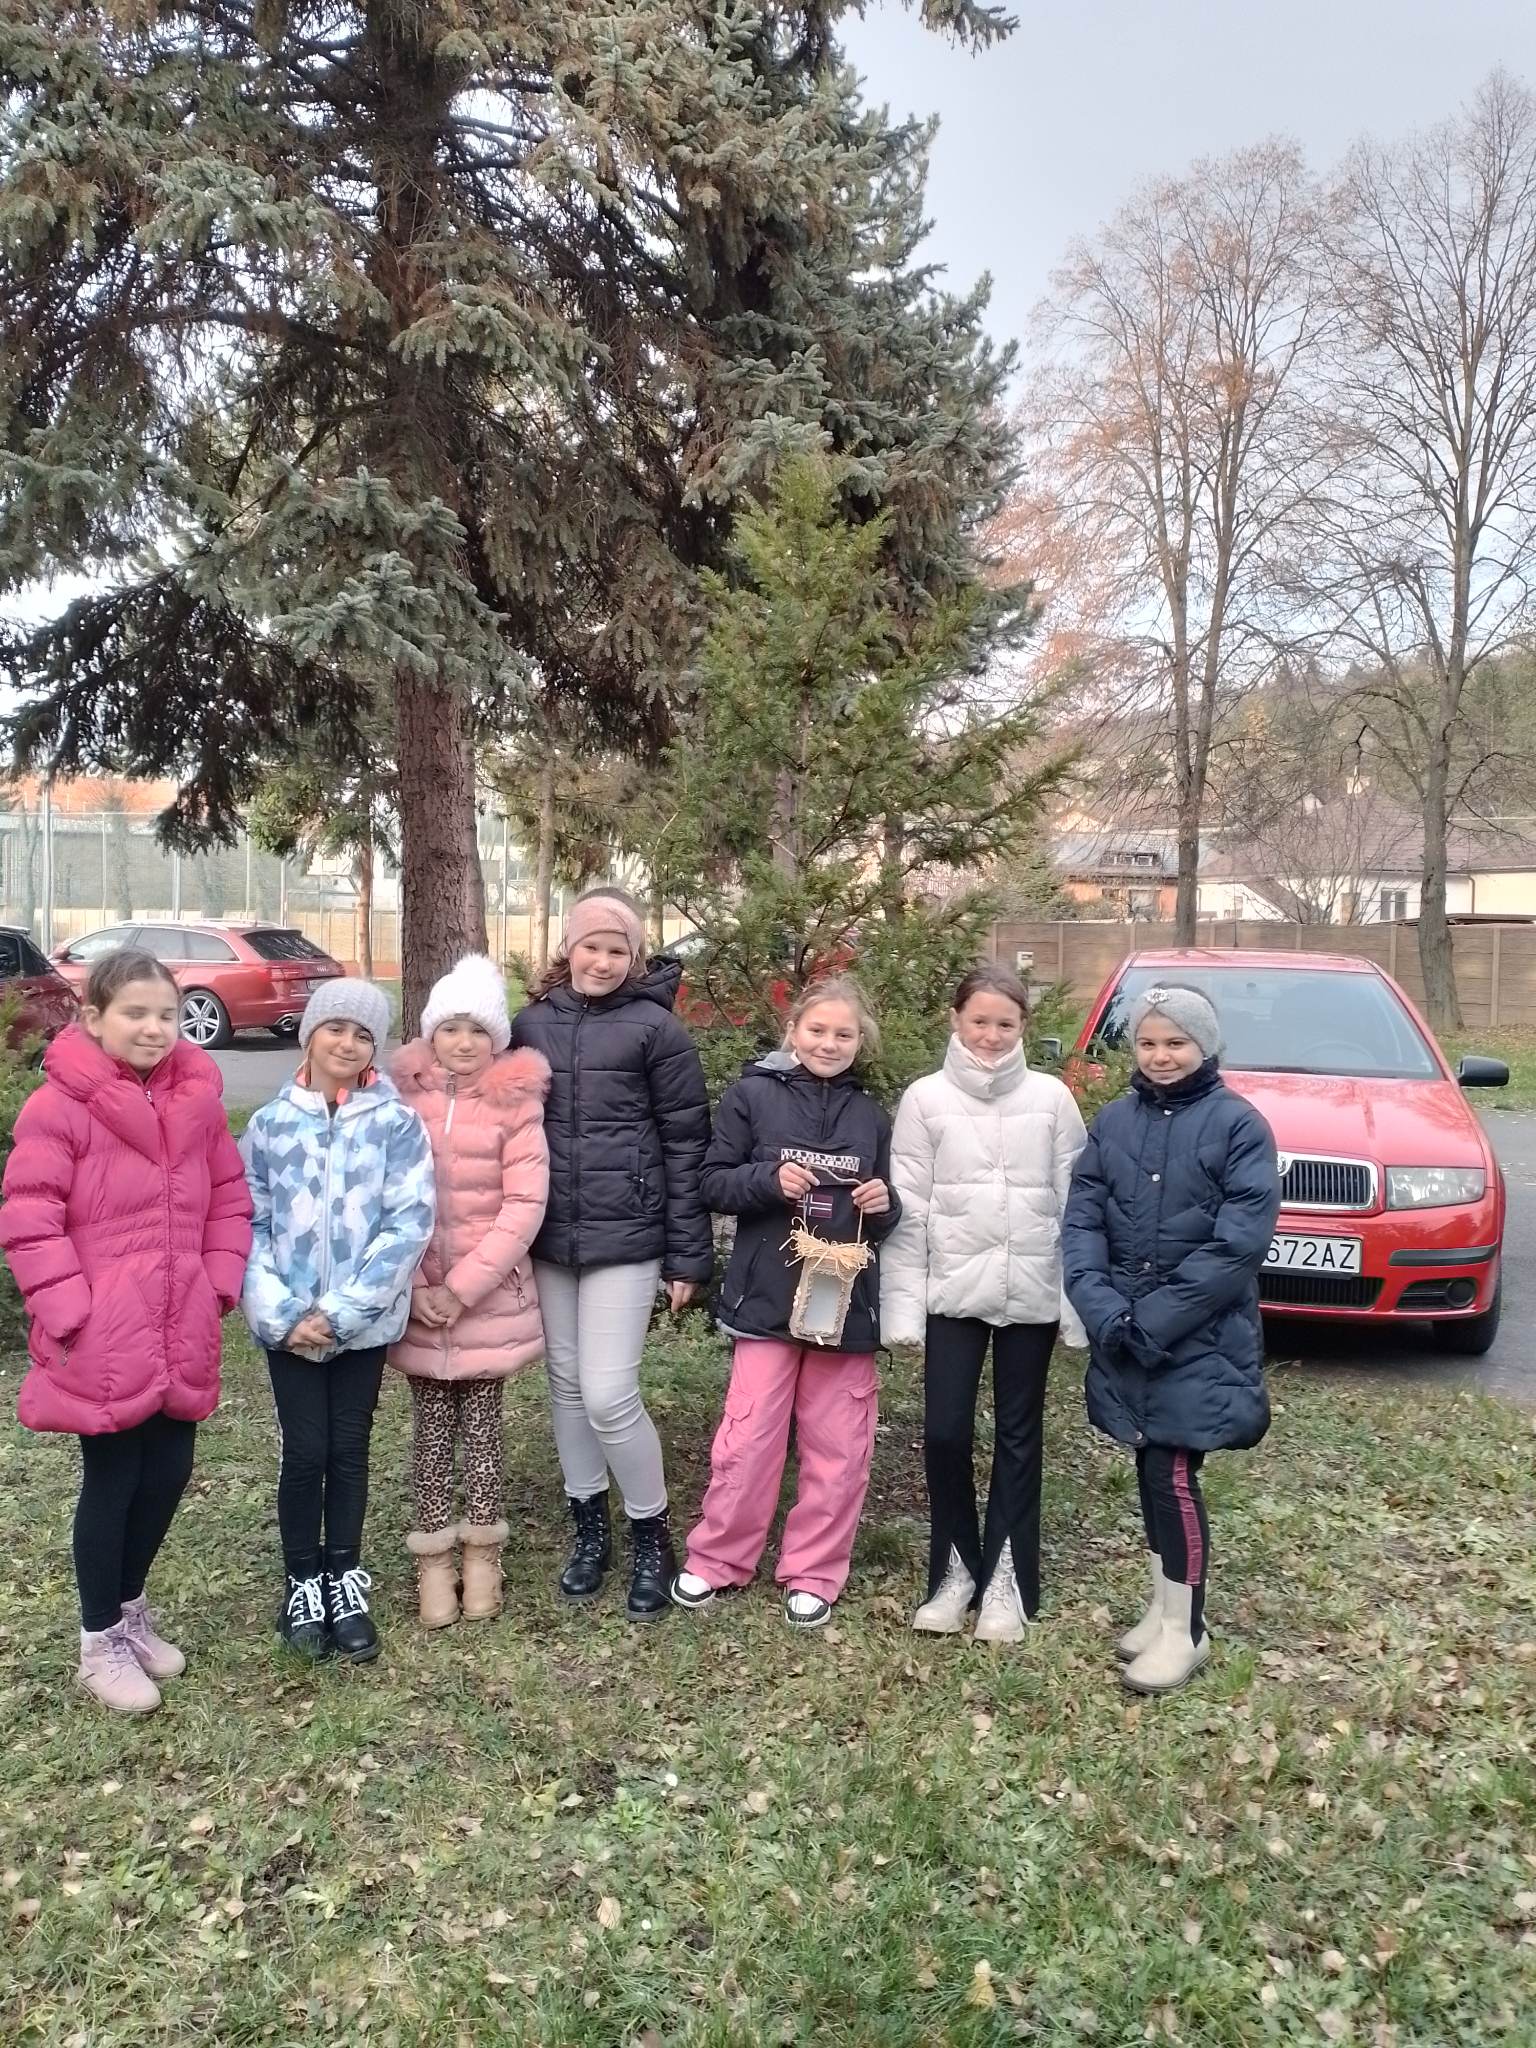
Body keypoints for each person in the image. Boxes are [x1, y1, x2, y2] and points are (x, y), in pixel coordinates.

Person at [0, 948, 252, 1714]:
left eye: (167, 1014)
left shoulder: (197, 1101)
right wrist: (70, 1311)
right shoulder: (59, 1108)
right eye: (135, 1013)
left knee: (169, 1470)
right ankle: (99, 1639)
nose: (153, 1028)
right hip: (103, 1332)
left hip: (180, 1321)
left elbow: (229, 1198)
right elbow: (31, 1217)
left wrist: (218, 1282)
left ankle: (131, 1609)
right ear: (93, 1018)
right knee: (114, 1480)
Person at [1062, 984, 1279, 1694]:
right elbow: (1083, 1221)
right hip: (1125, 1332)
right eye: (1149, 1042)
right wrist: (1103, 1309)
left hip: (1197, 1338)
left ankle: (1186, 1630)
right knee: (1148, 1466)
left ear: (1204, 1046)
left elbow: (1238, 1244)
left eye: (1176, 1043)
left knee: (1174, 1474)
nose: (1161, 1056)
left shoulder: (1239, 1126)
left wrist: (1153, 1318)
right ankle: (1162, 1608)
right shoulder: (1114, 1122)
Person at [671, 978, 900, 1630]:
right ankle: (719, 1558)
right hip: (766, 1295)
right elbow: (712, 1181)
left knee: (839, 1443)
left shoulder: (872, 1115)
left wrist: (885, 1206)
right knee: (748, 1436)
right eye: (817, 1030)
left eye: (844, 1034)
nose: (829, 1043)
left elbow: (888, 1210)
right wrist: (767, 1180)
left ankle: (815, 1570)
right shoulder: (752, 1096)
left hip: (842, 1297)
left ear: (860, 1041)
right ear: (793, 1031)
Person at [509, 888, 712, 1621]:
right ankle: (589, 1527)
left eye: (617, 949)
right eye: (590, 946)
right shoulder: (530, 1024)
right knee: (566, 1388)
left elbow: (686, 1145)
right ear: (569, 948)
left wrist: (687, 1256)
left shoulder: (658, 1030)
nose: (601, 960)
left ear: (636, 956)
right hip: (551, 1238)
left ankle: (651, 1533)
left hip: (628, 1236)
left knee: (608, 1393)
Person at [882, 965, 1088, 1643]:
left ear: (1023, 1026)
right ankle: (954, 1571)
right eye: (980, 1021)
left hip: (1031, 1289)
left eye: (1005, 1023)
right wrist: (903, 1310)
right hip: (953, 1292)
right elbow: (908, 1210)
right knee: (945, 1431)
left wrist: (1075, 1303)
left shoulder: (1053, 1099)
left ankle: (1006, 1579)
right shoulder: (925, 1099)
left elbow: (1076, 1205)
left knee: (1018, 1436)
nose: (992, 1035)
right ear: (956, 1020)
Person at [241, 979, 435, 1665]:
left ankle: (343, 1579)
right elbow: (248, 1224)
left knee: (349, 1448)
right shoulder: (269, 1126)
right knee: (306, 1450)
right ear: (310, 1034)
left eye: (363, 1035)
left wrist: (345, 1312)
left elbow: (408, 1223)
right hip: (289, 1326)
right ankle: (303, 1580)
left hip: (362, 1326)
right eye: (335, 1028)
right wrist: (283, 1314)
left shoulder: (396, 1125)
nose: (347, 1044)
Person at [390, 955, 551, 1629]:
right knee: (430, 1435)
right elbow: (386, 1196)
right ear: (431, 1033)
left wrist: (461, 1288)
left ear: (497, 1039)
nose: (463, 1042)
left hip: (487, 1300)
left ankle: (483, 1555)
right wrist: (416, 1285)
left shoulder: (515, 1106)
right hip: (417, 1293)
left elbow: (524, 1203)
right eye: (450, 1028)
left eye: (478, 1030)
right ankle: (433, 1562)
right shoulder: (401, 1102)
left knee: (482, 1432)